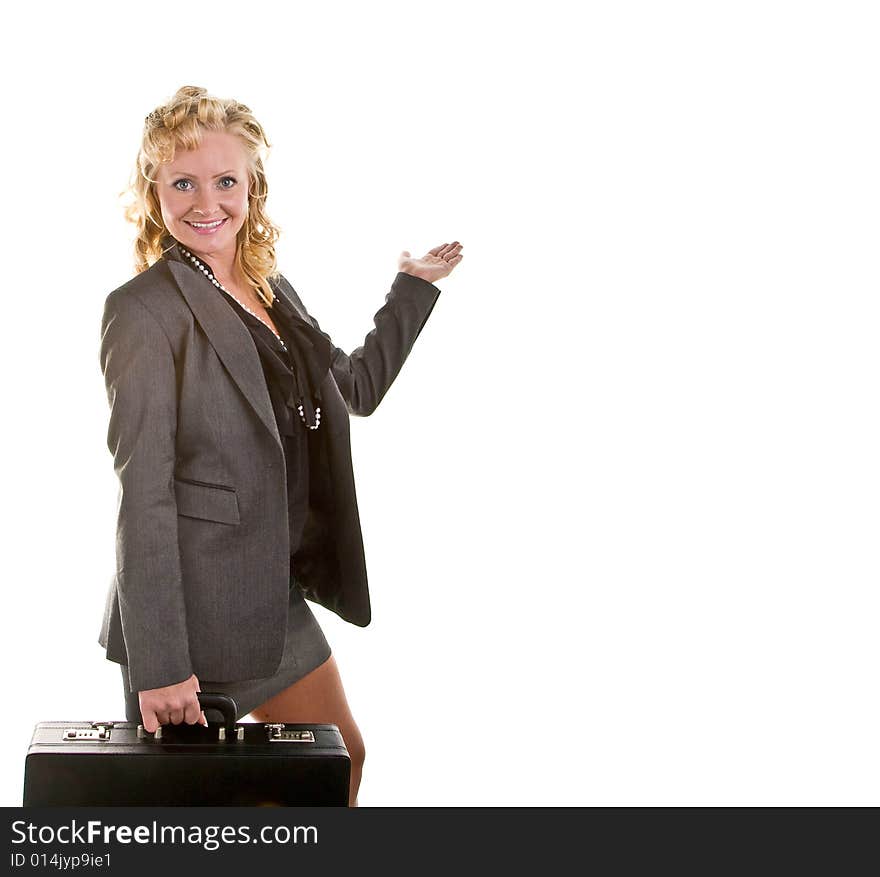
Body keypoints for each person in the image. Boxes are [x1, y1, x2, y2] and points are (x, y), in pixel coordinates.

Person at [97, 85, 463, 806]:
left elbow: (353, 387)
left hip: (272, 595)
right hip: (192, 619)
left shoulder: (271, 286)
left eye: (226, 180)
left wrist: (411, 290)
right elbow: (144, 494)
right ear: (155, 191)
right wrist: (161, 665)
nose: (208, 202)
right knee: (235, 808)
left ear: (252, 185)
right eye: (184, 183)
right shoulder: (142, 311)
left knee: (340, 761)